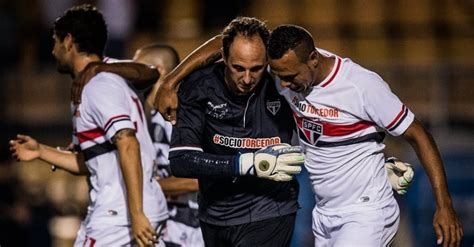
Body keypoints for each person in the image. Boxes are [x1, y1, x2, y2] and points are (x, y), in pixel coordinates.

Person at [152, 21, 462, 247]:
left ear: (313, 59)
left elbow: (419, 134)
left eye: (289, 77)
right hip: (324, 216)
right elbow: (223, 41)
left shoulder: (361, 86)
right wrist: (171, 82)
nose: (283, 86)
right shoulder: (286, 61)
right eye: (278, 76)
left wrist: (444, 205)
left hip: (365, 212)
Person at [9, 4, 168, 246]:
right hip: (130, 209)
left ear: (69, 42)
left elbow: (128, 144)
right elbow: (94, 161)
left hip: (120, 215)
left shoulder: (98, 86)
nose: (52, 51)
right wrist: (41, 151)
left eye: (55, 41)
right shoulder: (104, 78)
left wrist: (136, 215)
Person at [167, 17, 305, 247]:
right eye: (238, 68)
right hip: (214, 214)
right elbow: (181, 161)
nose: (248, 78)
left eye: (257, 69)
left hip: (271, 210)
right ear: (222, 56)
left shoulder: (284, 80)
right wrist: (247, 164)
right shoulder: (199, 87)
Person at [133, 44, 205, 247]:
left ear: (158, 69)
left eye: (138, 67)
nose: (132, 73)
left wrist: (146, 186)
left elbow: (200, 177)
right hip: (166, 225)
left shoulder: (176, 116)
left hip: (189, 228)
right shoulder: (149, 115)